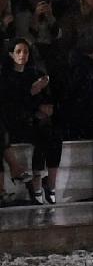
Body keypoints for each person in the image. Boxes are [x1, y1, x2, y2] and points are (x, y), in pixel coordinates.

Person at [2, 38, 57, 203]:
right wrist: (31, 92)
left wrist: (42, 105)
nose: (22, 55)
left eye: (25, 51)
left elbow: (42, 100)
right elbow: (9, 103)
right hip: (11, 122)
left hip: (29, 120)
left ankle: (46, 185)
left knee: (51, 134)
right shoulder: (5, 75)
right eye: (18, 51)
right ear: (11, 54)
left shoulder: (34, 73)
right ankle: (32, 183)